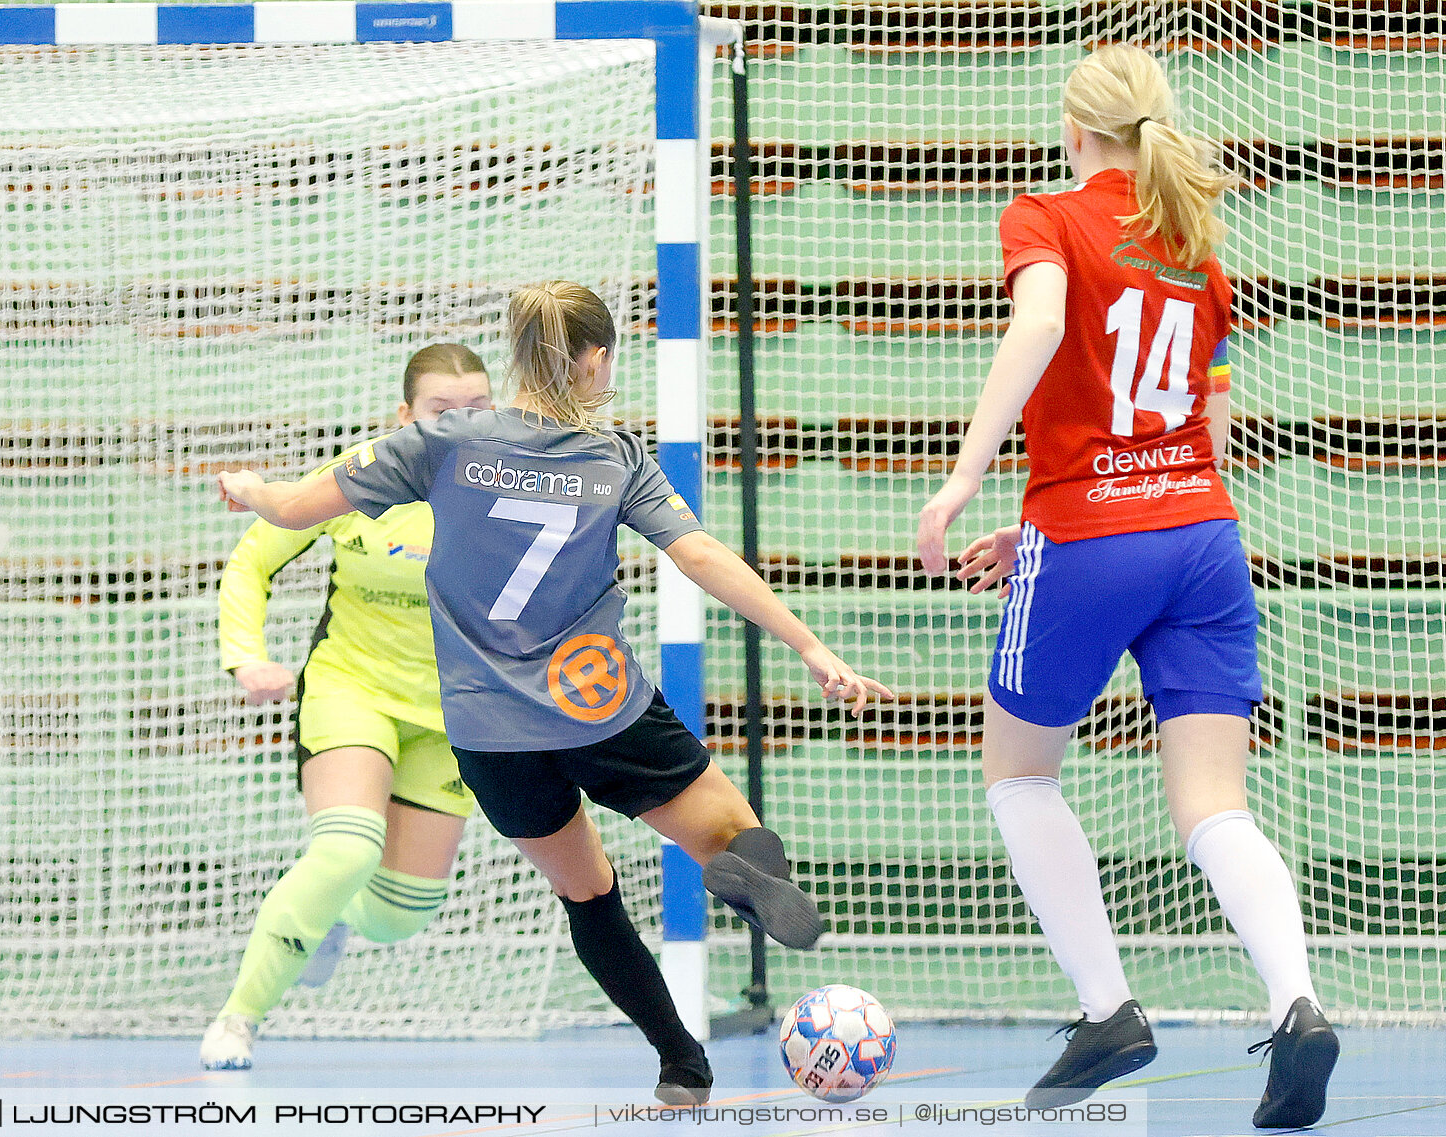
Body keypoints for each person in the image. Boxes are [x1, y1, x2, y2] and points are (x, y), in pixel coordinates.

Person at [219, 281, 891, 1104]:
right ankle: (740, 872)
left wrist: (254, 489)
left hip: (489, 730)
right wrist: (812, 646)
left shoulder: (439, 442)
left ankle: (682, 1064)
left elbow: (291, 507)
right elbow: (702, 555)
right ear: (596, 357)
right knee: (737, 835)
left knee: (588, 892)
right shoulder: (614, 458)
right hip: (599, 702)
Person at [915, 44, 1337, 1129]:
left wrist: (967, 482)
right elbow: (1211, 419)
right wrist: (1075, 512)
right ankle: (1299, 1004)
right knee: (1213, 806)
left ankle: (1108, 1010)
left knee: (1018, 775)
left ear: (1074, 128)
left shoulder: (1045, 213)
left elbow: (1044, 324)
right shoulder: (1197, 246)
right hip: (1201, 532)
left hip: (1094, 531)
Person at [200, 345, 494, 1071]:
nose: (460, 423)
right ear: (405, 417)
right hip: (350, 690)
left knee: (400, 916)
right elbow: (253, 560)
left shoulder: (511, 495)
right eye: (440, 411)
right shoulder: (364, 477)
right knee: (347, 847)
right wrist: (246, 655)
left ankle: (328, 910)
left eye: (476, 409)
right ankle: (238, 1017)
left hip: (449, 714)